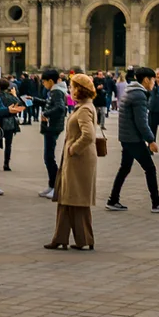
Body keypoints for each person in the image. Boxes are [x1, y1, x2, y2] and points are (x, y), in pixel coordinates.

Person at [107, 66, 159, 213]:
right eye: (152, 80)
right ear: (146, 80)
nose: (154, 83)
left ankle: (113, 199)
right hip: (133, 138)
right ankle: (156, 202)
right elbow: (141, 122)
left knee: (125, 168)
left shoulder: (130, 91)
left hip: (126, 137)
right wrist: (151, 140)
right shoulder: (139, 95)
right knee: (150, 168)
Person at [46, 74, 99, 250]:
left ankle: (84, 240)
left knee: (76, 199)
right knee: (66, 198)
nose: (70, 89)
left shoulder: (84, 109)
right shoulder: (83, 107)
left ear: (79, 89)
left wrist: (73, 148)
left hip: (79, 160)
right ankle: (62, 238)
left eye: (72, 86)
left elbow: (89, 135)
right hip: (76, 160)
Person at [38, 68, 68, 199]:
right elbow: (51, 104)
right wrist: (34, 99)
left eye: (44, 82)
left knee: (49, 157)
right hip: (53, 127)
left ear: (50, 81)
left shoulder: (56, 91)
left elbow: (60, 107)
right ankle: (52, 185)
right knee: (48, 157)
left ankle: (56, 186)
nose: (43, 84)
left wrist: (46, 114)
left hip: (52, 127)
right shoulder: (56, 91)